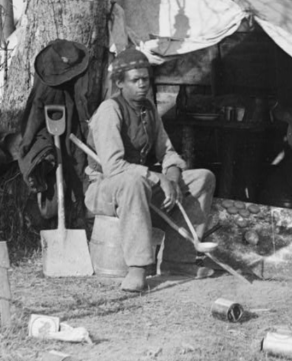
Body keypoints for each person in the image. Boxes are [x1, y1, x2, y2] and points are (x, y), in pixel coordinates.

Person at [84, 48, 216, 292]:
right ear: (120, 83)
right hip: (103, 189)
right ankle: (137, 268)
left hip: (140, 187)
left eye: (146, 79)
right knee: (133, 182)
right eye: (135, 80)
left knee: (202, 178)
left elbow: (167, 152)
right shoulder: (110, 111)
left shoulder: (149, 110)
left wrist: (173, 177)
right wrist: (157, 178)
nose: (142, 84)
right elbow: (114, 167)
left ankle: (178, 262)